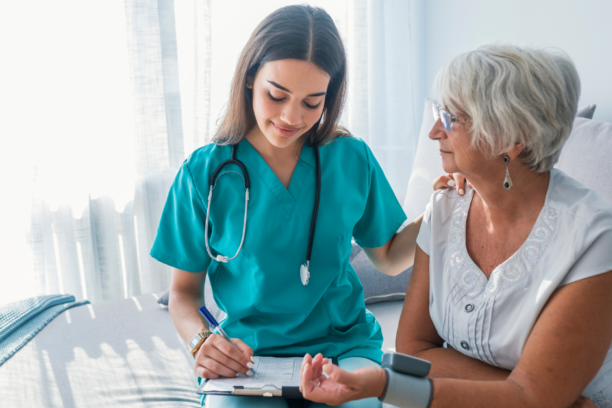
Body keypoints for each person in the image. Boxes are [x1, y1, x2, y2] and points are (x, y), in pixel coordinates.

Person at [300, 44, 612, 408]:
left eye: (451, 118)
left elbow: (532, 399)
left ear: (512, 137)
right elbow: (416, 350)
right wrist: (535, 392)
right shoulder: (444, 208)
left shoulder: (597, 237)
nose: (433, 134)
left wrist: (385, 385)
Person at [150, 5, 422, 407]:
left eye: (312, 103)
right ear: (249, 79)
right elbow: (183, 293)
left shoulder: (349, 159)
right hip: (250, 357)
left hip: (342, 347)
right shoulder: (203, 174)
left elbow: (388, 257)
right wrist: (200, 341)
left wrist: (442, 208)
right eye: (276, 95)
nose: (291, 117)